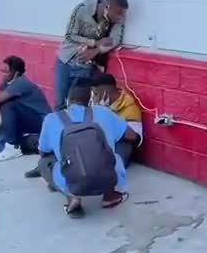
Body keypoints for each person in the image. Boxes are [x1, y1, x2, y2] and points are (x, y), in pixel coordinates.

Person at [35, 82, 138, 216]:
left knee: (44, 162)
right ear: (90, 100)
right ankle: (110, 196)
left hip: (71, 176)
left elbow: (43, 151)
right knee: (112, 154)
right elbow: (132, 136)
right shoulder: (103, 112)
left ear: (67, 100)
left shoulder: (51, 119)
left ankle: (72, 196)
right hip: (107, 174)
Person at [52, 0, 128, 109]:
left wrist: (96, 51)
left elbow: (115, 39)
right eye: (118, 13)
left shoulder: (118, 18)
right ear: (107, 6)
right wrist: (94, 43)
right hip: (65, 61)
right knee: (60, 104)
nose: (120, 17)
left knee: (81, 106)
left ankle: (79, 128)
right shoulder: (82, 9)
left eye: (122, 14)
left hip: (85, 66)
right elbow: (70, 35)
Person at [0, 55, 51, 163]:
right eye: (1, 71)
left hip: (41, 121)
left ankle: (13, 147)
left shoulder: (21, 83)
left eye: (5, 71)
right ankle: (26, 142)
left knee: (8, 105)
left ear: (16, 73)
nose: (2, 75)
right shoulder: (6, 83)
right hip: (26, 118)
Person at [91, 72, 142, 165]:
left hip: (121, 142)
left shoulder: (130, 107)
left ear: (106, 92)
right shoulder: (97, 103)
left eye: (96, 94)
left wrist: (109, 118)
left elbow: (135, 138)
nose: (94, 98)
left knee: (121, 153)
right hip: (102, 140)